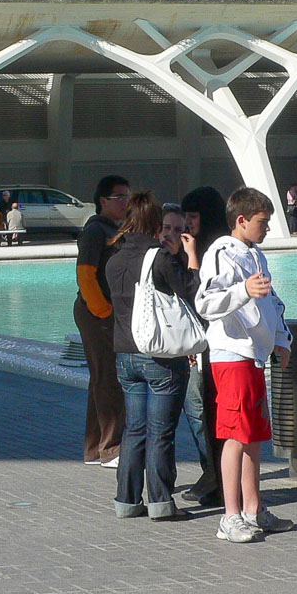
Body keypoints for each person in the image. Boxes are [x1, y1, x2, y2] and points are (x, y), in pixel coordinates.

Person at [195, 186, 293, 543]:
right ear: (241, 220)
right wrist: (243, 292)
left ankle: (253, 509)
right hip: (231, 356)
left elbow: (271, 300)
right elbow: (205, 302)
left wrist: (282, 339)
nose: (266, 229)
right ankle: (230, 515)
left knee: (251, 436)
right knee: (235, 436)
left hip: (253, 357)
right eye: (262, 222)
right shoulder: (221, 252)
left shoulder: (255, 255)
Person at [103, 193, 200, 521]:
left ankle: (127, 501)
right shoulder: (157, 256)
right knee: (160, 431)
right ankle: (160, 502)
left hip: (125, 356)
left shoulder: (114, 259)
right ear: (154, 222)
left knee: (134, 430)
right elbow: (190, 292)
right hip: (158, 356)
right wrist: (189, 256)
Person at [178, 185, 229, 508]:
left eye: (192, 216)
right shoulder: (196, 245)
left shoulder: (217, 251)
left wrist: (194, 259)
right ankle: (213, 474)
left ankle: (217, 478)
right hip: (202, 346)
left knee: (209, 413)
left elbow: (203, 299)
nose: (187, 223)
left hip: (215, 346)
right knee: (203, 413)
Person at [77, 175, 131, 468]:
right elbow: (85, 273)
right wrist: (103, 311)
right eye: (119, 198)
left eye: (126, 197)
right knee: (108, 378)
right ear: (103, 202)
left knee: (101, 378)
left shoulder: (113, 229)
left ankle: (94, 448)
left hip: (103, 311)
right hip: (96, 312)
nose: (125, 202)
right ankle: (111, 448)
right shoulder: (96, 231)